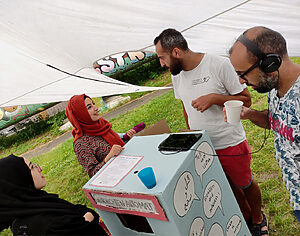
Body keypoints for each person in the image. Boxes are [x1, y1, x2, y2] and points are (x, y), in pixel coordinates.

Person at [154, 28, 268, 235]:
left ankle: (259, 219)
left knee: (245, 184)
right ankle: (246, 215)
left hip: (229, 142)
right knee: (227, 186)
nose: (161, 64)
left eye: (162, 58)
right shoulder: (177, 75)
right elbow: (184, 106)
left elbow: (246, 100)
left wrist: (215, 98)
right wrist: (191, 133)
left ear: (176, 52)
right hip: (203, 146)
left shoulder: (218, 64)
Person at [229, 26, 300, 225]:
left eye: (243, 73)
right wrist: (250, 114)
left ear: (270, 63)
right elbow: (277, 121)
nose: (242, 81)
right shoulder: (274, 86)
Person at [0, 154, 108, 235]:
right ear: (19, 179)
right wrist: (87, 217)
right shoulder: (49, 224)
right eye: (32, 167)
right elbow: (89, 228)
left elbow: (78, 209)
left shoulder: (30, 208)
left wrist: (84, 217)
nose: (40, 168)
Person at [65, 94, 144, 178]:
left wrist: (128, 140)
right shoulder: (81, 143)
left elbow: (118, 145)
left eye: (93, 104)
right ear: (79, 115)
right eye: (89, 107)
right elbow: (93, 174)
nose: (96, 108)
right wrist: (108, 157)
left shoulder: (100, 124)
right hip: (117, 178)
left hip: (132, 165)